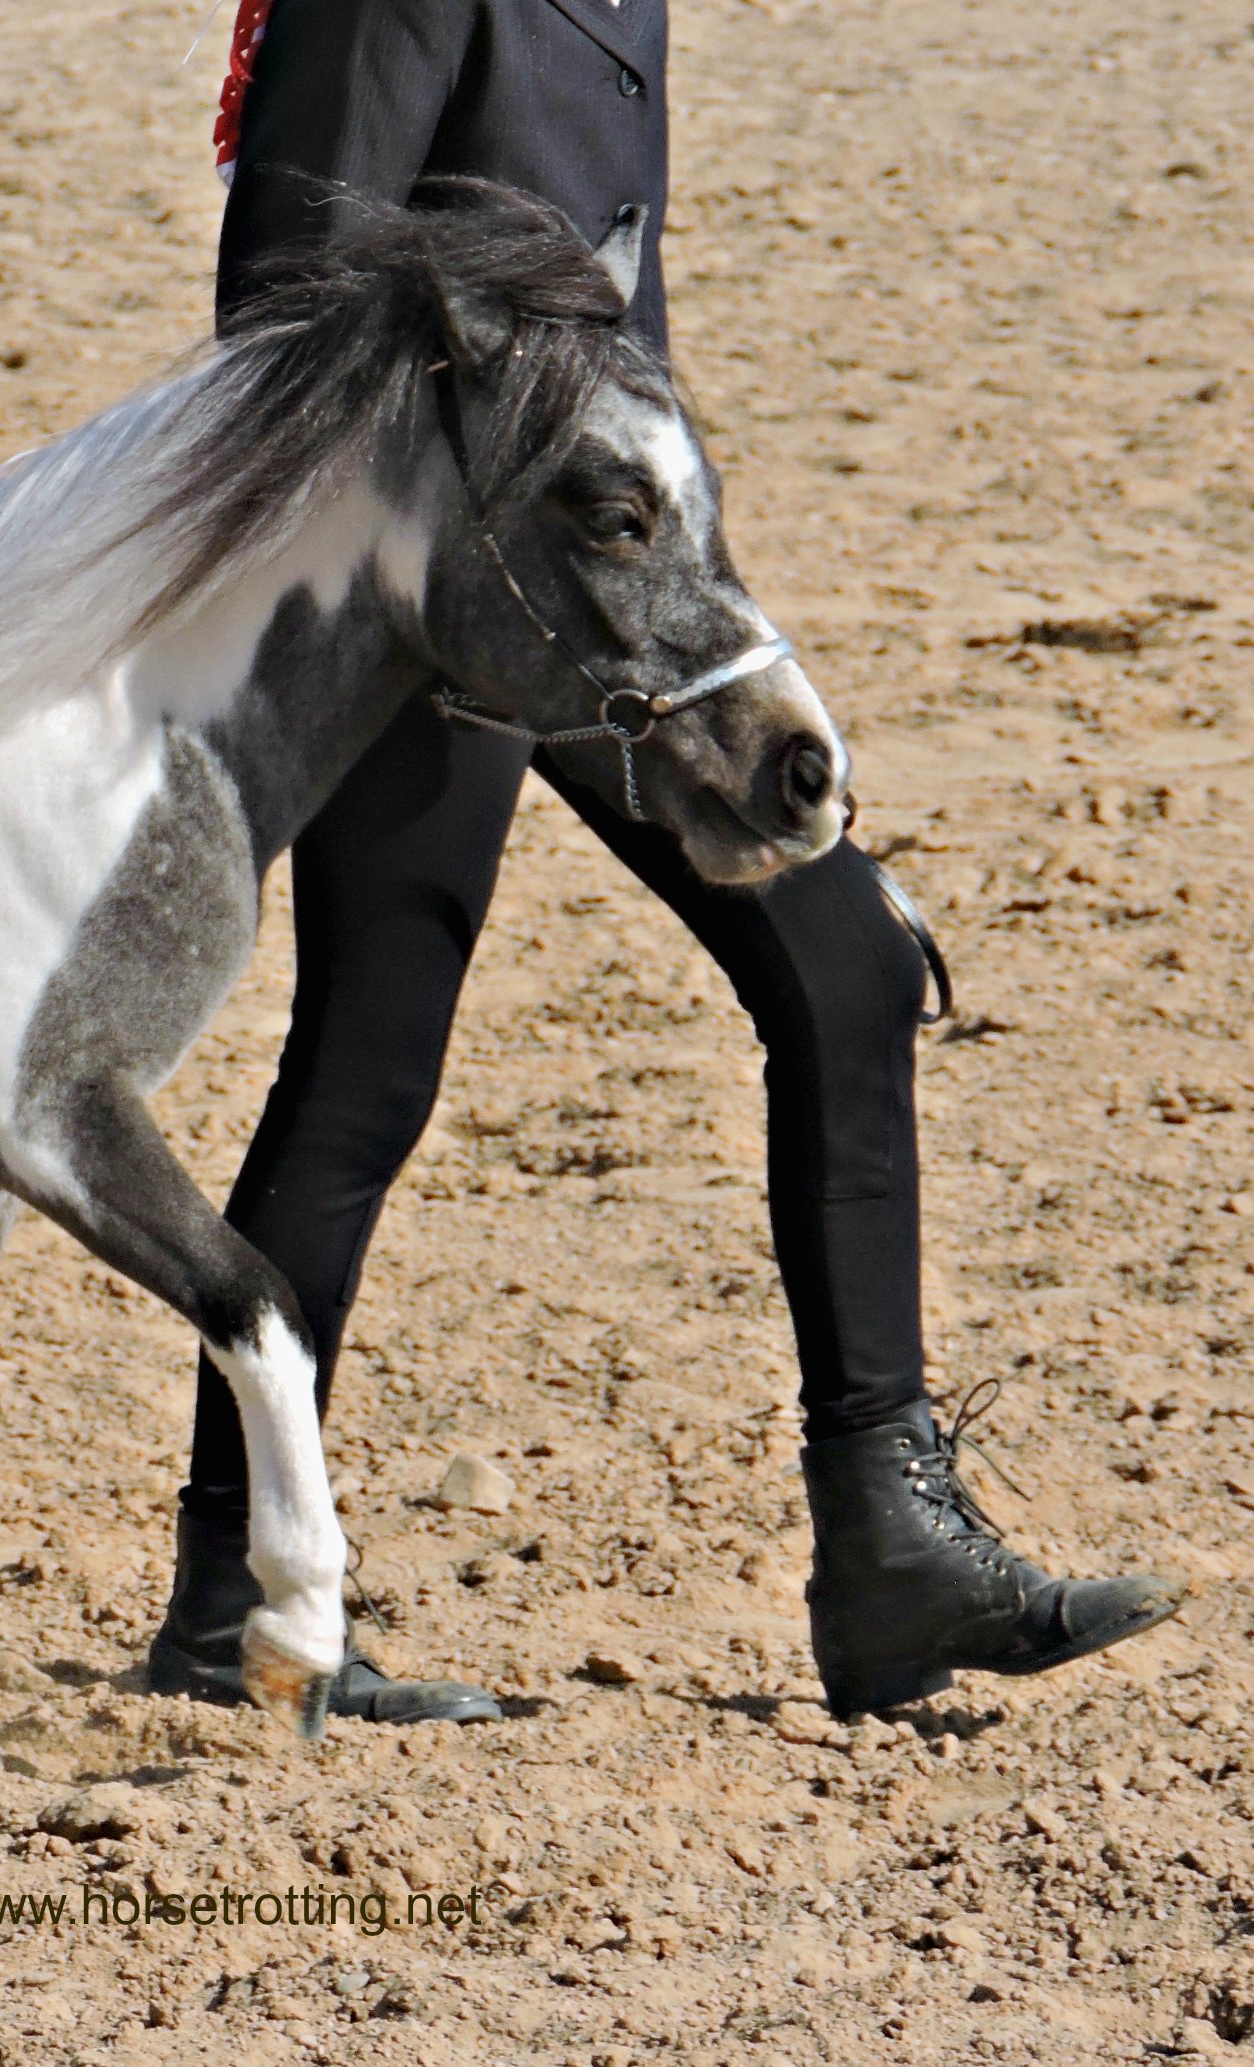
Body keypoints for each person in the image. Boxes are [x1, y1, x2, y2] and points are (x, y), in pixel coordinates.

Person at [155, 0, 1183, 1724]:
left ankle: (888, 1548)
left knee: (847, 967)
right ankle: (226, 1604)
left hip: (609, 610)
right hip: (415, 610)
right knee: (366, 1074)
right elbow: (280, 305)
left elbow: (626, 358)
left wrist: (709, 625)